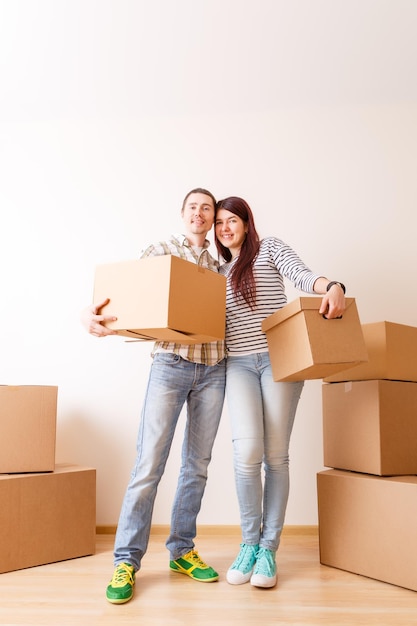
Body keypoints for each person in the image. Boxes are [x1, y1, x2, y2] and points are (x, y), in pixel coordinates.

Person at [81, 188, 226, 604]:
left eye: (207, 208)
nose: (200, 213)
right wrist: (88, 313)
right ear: (183, 214)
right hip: (171, 365)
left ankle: (182, 551)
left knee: (197, 465)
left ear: (214, 217)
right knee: (149, 464)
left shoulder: (224, 264)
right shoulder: (161, 251)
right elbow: (128, 291)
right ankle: (126, 561)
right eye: (193, 207)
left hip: (215, 369)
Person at [214, 196, 346, 589]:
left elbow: (303, 275)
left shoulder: (269, 248)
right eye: (219, 222)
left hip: (279, 360)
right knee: (246, 452)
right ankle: (248, 544)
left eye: (232, 219)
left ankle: (268, 550)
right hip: (236, 362)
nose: (225, 227)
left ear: (246, 222)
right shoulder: (216, 271)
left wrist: (333, 285)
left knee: (275, 456)